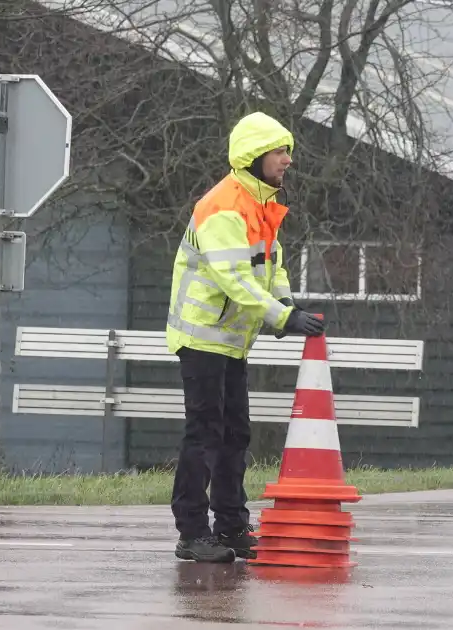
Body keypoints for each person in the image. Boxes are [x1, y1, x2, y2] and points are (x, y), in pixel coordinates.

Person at [165, 111, 326, 563]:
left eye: (288, 150)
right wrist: (281, 318)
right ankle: (192, 533)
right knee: (204, 433)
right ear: (254, 156)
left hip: (230, 338)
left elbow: (271, 267)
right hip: (202, 338)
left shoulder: (260, 204)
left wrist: (286, 308)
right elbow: (235, 279)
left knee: (235, 433)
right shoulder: (223, 207)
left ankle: (232, 526)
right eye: (280, 151)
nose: (288, 159)